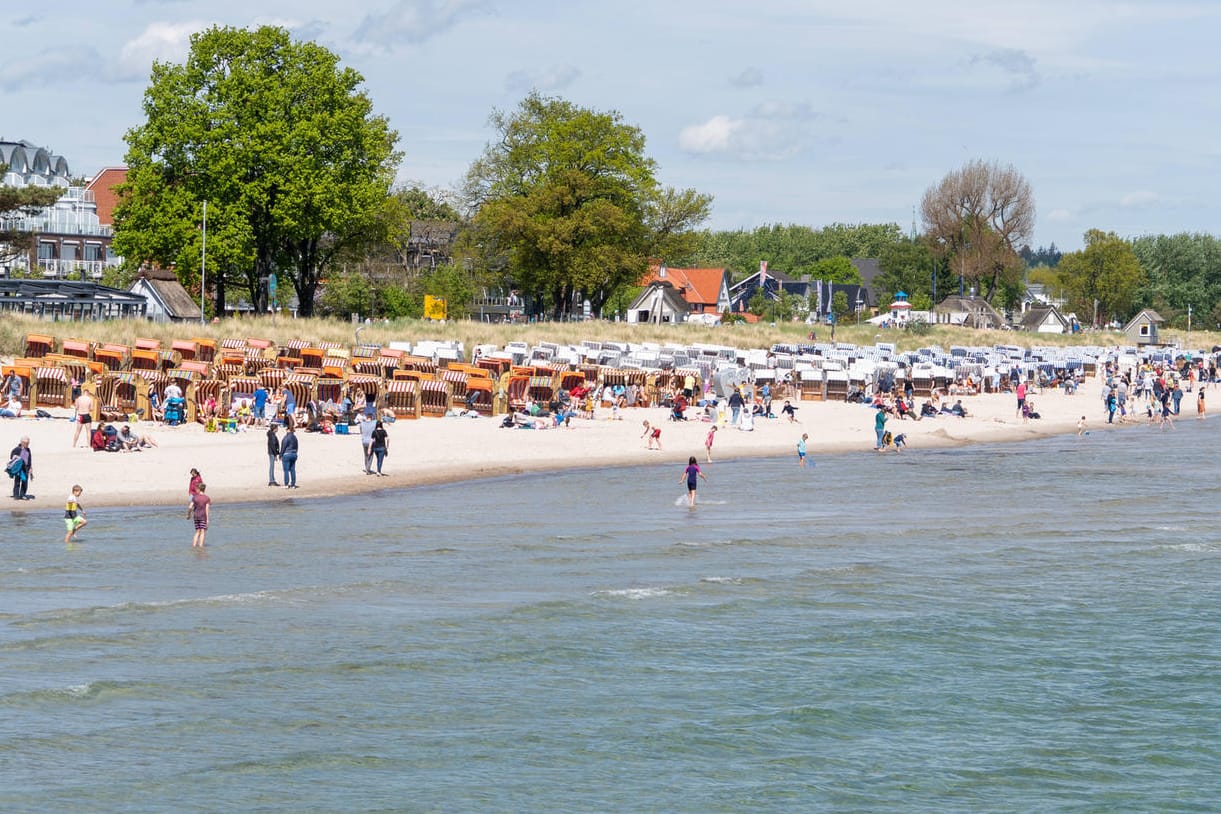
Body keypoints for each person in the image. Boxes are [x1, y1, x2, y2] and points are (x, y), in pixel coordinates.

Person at [8, 436, 32, 500]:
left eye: (28, 443)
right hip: (19, 469)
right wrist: (17, 459)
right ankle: (16, 495)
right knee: (17, 482)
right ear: (22, 442)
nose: (27, 444)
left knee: (25, 482)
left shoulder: (28, 450)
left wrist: (30, 467)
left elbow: (29, 459)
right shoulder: (17, 449)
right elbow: (11, 456)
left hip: (26, 468)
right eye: (26, 443)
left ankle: (22, 495)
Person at [190, 482, 211, 548]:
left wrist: (188, 514)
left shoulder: (195, 497)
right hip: (203, 517)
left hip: (196, 516)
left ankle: (194, 546)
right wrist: (207, 520)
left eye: (196, 488)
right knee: (202, 532)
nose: (196, 490)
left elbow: (190, 507)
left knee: (197, 531)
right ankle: (201, 546)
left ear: (199, 489)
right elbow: (207, 510)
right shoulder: (207, 498)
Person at [280, 423, 299, 488]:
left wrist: (280, 455)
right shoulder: (295, 437)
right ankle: (293, 484)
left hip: (287, 454)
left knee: (286, 470)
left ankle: (286, 484)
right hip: (294, 454)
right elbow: (297, 447)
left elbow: (283, 447)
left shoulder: (286, 437)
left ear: (288, 430)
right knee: (292, 470)